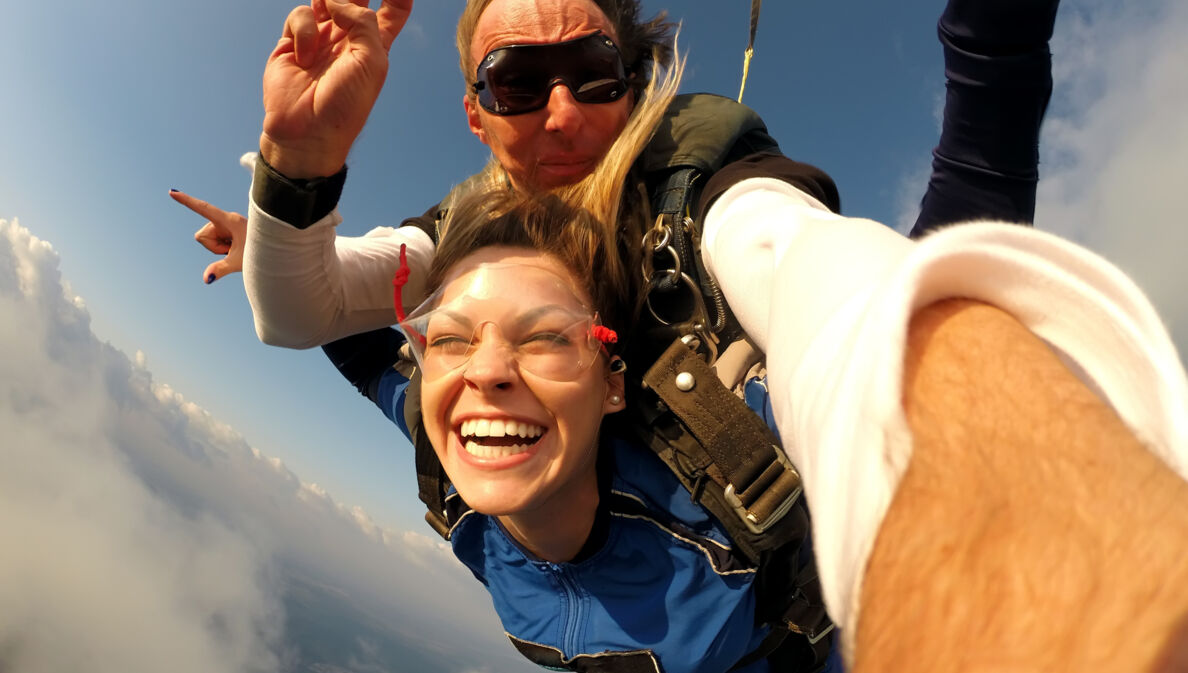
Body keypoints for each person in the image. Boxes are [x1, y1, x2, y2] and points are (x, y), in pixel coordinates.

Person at [176, 0, 1188, 670]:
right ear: (475, 115)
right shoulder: (455, 334)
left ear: (609, 372)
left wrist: (1042, 549)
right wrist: (292, 172)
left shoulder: (707, 207)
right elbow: (318, 315)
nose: (563, 113)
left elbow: (835, 290)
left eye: (594, 73)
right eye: (517, 85)